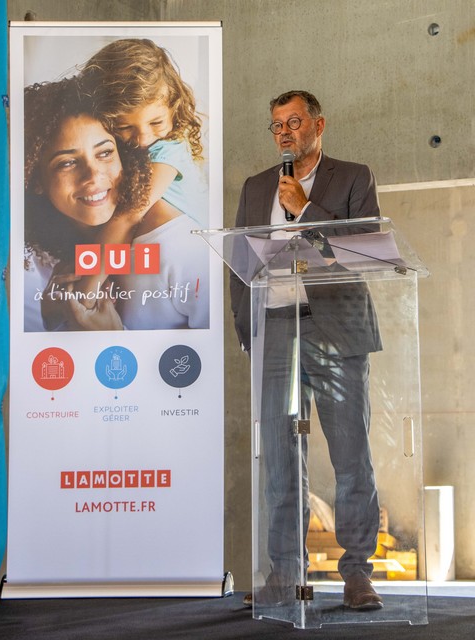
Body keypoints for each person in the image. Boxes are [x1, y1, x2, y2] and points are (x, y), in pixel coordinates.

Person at [230, 90, 383, 610]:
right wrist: (246, 329)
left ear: (319, 124)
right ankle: (284, 574)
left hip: (336, 328)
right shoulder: (255, 187)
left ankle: (357, 573)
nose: (284, 132)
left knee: (350, 455)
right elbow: (238, 261)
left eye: (294, 121)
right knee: (280, 458)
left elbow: (364, 249)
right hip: (275, 328)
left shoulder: (353, 177)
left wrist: (307, 210)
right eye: (276, 125)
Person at [71, 37, 209, 329]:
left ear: (174, 106)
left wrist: (87, 290)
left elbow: (130, 214)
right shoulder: (122, 151)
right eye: (125, 127)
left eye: (155, 123)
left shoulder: (171, 145)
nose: (144, 138)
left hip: (184, 261)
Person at [24, 76, 151, 332]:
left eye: (105, 152)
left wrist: (112, 335)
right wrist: (50, 320)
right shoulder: (35, 263)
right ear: (36, 179)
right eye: (67, 163)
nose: (93, 176)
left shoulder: (168, 240)